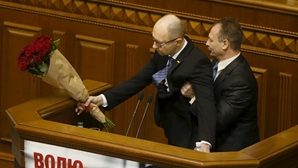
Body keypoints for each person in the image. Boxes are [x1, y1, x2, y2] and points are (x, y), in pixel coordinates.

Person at [76, 14, 216, 152]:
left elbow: (206, 103)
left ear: (178, 41)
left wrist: (204, 142)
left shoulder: (197, 62)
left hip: (188, 134)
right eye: (153, 39)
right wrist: (101, 99)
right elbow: (137, 81)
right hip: (171, 126)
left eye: (159, 43)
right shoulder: (163, 52)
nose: (154, 46)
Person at [181, 18, 259, 151]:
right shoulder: (216, 63)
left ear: (225, 44)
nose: (206, 43)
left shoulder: (241, 82)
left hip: (231, 155)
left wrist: (195, 97)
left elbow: (216, 120)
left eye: (211, 40)